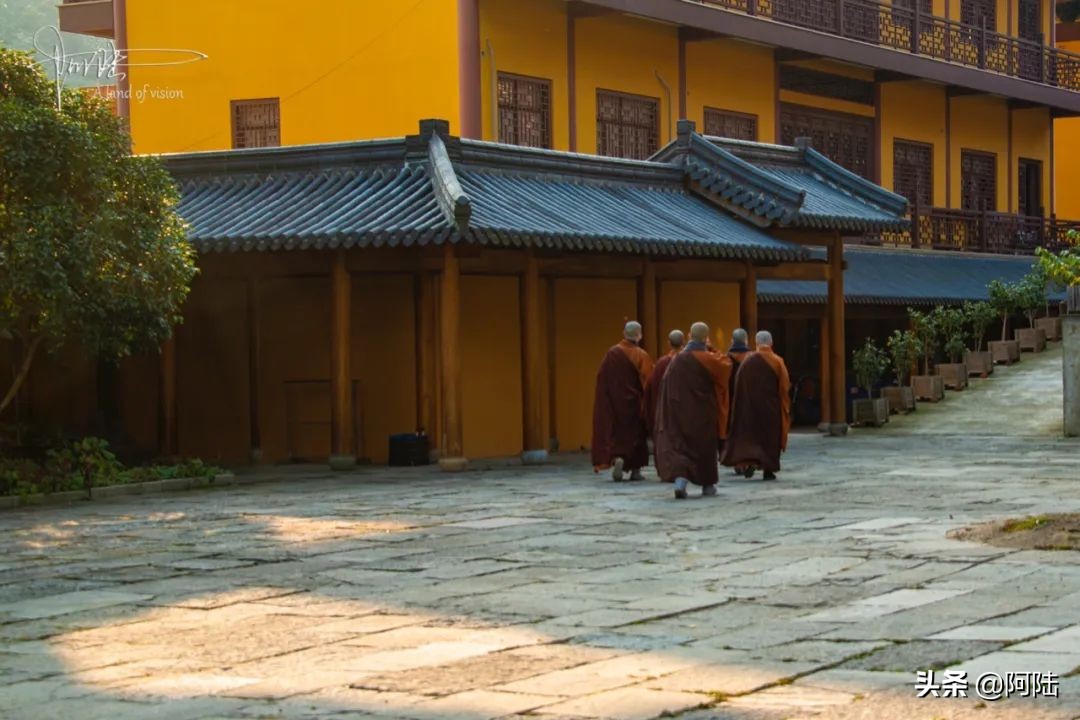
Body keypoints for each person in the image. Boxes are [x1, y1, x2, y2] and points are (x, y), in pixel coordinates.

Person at [654, 322, 732, 499]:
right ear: (706, 338)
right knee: (704, 448)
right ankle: (707, 485)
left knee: (681, 448)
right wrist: (710, 347)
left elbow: (665, 386)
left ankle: (681, 480)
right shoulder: (708, 358)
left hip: (678, 411)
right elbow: (726, 366)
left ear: (689, 336)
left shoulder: (676, 360)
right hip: (703, 413)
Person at [721, 330, 791, 481]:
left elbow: (739, 385)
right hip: (771, 408)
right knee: (770, 438)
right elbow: (785, 385)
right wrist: (783, 403)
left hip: (750, 408)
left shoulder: (747, 361)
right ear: (771, 343)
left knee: (752, 437)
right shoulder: (777, 361)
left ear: (756, 343)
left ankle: (751, 462)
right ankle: (768, 470)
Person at [592, 321, 654, 481]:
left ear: (624, 333)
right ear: (639, 335)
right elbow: (649, 379)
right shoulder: (641, 355)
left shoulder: (612, 353)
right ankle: (635, 470)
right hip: (634, 403)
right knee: (636, 436)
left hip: (614, 403)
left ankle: (618, 458)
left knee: (618, 434)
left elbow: (602, 378)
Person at [642, 329, 685, 444]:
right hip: (684, 415)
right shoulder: (688, 361)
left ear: (668, 343)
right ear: (683, 342)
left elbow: (650, 387)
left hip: (664, 416)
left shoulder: (661, 363)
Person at [726, 328, 753, 476]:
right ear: (747, 341)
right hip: (749, 403)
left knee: (733, 432)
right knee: (748, 433)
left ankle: (737, 462)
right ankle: (748, 461)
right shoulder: (754, 359)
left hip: (729, 402)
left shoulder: (725, 360)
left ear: (732, 341)